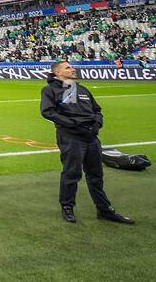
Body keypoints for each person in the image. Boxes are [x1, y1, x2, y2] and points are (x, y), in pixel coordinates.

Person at [40, 60, 133, 225]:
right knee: (71, 174)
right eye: (68, 67)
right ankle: (67, 207)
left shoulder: (82, 89)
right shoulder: (50, 90)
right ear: (57, 73)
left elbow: (97, 110)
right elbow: (47, 112)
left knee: (96, 175)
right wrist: (74, 125)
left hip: (91, 138)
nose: (73, 69)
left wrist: (97, 124)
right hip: (71, 137)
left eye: (72, 66)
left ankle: (104, 210)